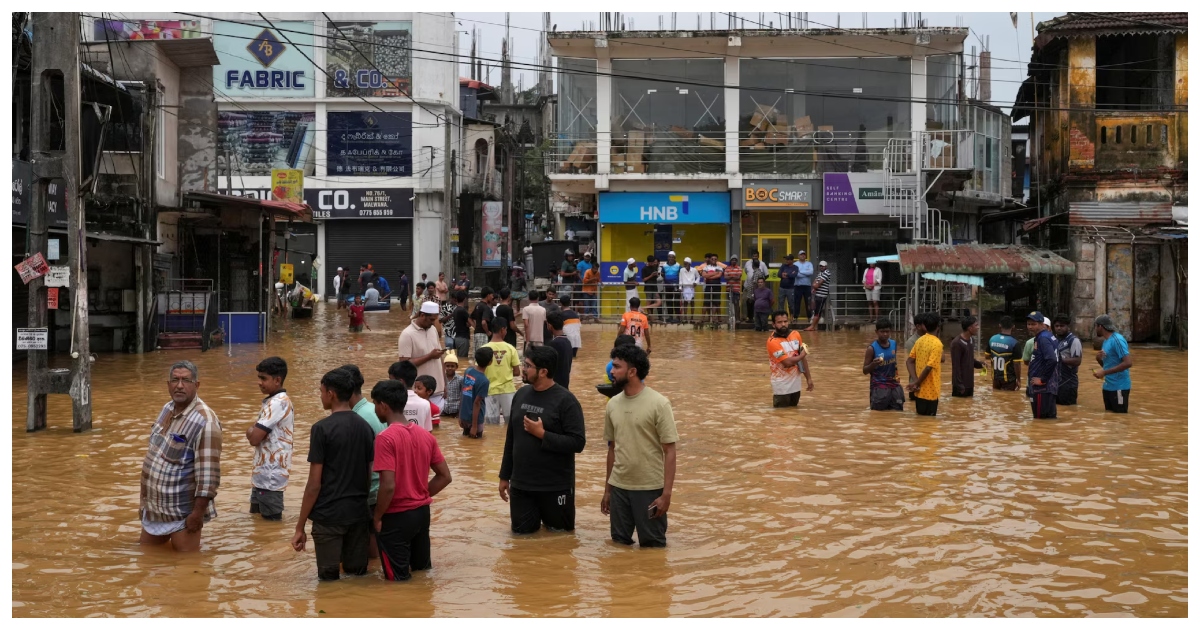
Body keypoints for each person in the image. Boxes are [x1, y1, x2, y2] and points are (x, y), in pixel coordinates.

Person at [292, 368, 375, 581]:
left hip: (329, 517)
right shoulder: (365, 427)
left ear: (331, 394)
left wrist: (300, 526)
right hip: (358, 514)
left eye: (321, 391)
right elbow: (369, 473)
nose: (320, 396)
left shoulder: (321, 429)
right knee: (358, 577)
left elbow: (314, 484)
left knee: (328, 581)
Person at [369, 380, 452, 582]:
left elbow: (388, 485)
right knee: (422, 574)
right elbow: (445, 477)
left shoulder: (385, 438)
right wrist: (421, 494)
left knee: (397, 581)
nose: (374, 409)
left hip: (396, 516)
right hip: (422, 513)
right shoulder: (426, 436)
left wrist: (378, 516)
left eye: (374, 404)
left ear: (383, 406)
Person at [499, 345, 587, 534]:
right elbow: (511, 438)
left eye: (528, 365)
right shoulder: (520, 394)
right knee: (522, 543)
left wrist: (542, 435)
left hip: (555, 486)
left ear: (543, 372)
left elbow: (578, 443)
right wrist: (504, 476)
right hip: (521, 486)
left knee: (560, 543)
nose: (523, 368)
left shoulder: (566, 401)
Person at [601, 344, 678, 548]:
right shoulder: (612, 404)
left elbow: (670, 450)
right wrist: (607, 490)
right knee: (618, 547)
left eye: (617, 367)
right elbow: (612, 449)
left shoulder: (659, 404)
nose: (611, 371)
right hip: (619, 488)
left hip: (649, 489)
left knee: (653, 549)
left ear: (632, 372)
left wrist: (666, 495)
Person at [140, 360, 222, 552]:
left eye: (186, 380)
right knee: (146, 557)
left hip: (182, 513)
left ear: (196, 385)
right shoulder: (167, 409)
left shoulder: (205, 422)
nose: (179, 385)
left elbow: (209, 478)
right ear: (168, 384)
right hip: (155, 508)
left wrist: (197, 515)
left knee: (187, 566)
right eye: (175, 380)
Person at [245, 357, 293, 522]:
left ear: (277, 380)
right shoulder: (272, 402)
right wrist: (253, 431)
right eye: (259, 377)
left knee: (270, 525)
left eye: (263, 378)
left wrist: (251, 430)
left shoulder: (277, 403)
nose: (259, 382)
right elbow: (255, 434)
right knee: (259, 525)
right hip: (263, 476)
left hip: (271, 477)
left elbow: (254, 438)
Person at [398, 302, 447, 408]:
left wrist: (445, 384)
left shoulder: (433, 329)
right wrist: (430, 356)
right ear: (422, 315)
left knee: (435, 424)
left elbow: (440, 358)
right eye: (431, 320)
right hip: (419, 393)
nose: (434, 323)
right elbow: (404, 364)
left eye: (435, 319)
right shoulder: (407, 334)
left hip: (438, 391)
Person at [767, 311, 813, 407]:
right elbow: (786, 362)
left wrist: (808, 378)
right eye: (779, 322)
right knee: (781, 414)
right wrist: (802, 355)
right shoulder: (772, 342)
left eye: (785, 321)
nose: (783, 324)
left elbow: (803, 360)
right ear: (773, 324)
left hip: (796, 383)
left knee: (793, 412)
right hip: (781, 384)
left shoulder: (795, 334)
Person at [484, 317, 522, 426]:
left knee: (491, 427)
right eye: (506, 330)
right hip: (508, 391)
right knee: (510, 426)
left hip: (489, 391)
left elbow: (480, 372)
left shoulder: (484, 349)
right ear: (503, 329)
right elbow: (517, 372)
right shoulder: (511, 348)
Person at [1093, 314, 1133, 413]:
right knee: (1110, 419)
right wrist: (1098, 359)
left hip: (1119, 387)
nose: (1095, 329)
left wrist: (1104, 373)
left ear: (1100, 326)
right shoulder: (1106, 342)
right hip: (1108, 387)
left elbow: (1128, 363)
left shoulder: (1117, 340)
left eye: (1095, 326)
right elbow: (1108, 366)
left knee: (1120, 420)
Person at [906, 312, 944, 417]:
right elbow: (929, 367)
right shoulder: (937, 344)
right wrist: (917, 383)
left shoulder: (919, 340)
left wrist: (915, 381)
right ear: (938, 326)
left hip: (919, 391)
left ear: (925, 326)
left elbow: (909, 361)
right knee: (930, 424)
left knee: (920, 421)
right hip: (931, 391)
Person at [863, 319, 904, 411]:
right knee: (878, 413)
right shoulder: (871, 348)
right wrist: (873, 364)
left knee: (898, 412)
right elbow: (865, 370)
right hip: (879, 386)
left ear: (891, 331)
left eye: (887, 331)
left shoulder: (894, 344)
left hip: (894, 385)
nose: (885, 334)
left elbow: (895, 363)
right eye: (882, 332)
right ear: (876, 332)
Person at [1026, 311, 1060, 419]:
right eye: (1029, 324)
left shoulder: (1043, 338)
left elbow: (1052, 359)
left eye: (1033, 324)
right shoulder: (1047, 336)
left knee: (1041, 421)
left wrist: (1043, 379)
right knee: (1047, 422)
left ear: (1041, 324)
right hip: (1047, 387)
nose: (1030, 327)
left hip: (1042, 388)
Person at [387, 361, 435, 432]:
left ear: (400, 382)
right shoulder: (425, 404)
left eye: (390, 380)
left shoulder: (388, 402)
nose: (389, 383)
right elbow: (428, 433)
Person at [461, 348, 492, 438]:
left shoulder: (468, 371)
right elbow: (477, 403)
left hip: (465, 415)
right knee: (477, 446)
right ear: (490, 362)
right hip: (476, 420)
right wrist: (474, 426)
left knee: (466, 445)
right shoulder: (484, 381)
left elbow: (463, 392)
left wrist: (460, 415)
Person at [951, 315, 985, 398]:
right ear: (970, 328)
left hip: (969, 383)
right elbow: (956, 367)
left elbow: (969, 359)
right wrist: (959, 386)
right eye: (976, 325)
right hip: (961, 386)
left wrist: (980, 364)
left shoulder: (971, 340)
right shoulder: (957, 343)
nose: (978, 327)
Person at [1053, 315, 1083, 406]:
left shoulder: (1074, 340)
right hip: (1056, 383)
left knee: (1069, 411)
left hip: (1068, 383)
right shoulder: (1054, 340)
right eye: (1057, 326)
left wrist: (1059, 359)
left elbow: (1077, 361)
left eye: (1062, 326)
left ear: (1068, 327)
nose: (1059, 328)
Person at [988, 317, 1022, 391]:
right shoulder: (1015, 343)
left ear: (1000, 325)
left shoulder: (992, 339)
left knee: (996, 398)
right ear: (1013, 326)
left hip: (995, 378)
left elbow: (987, 356)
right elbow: (1017, 364)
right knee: (1007, 399)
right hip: (1009, 380)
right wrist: (1018, 380)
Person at [546, 311, 575, 389]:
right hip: (564, 385)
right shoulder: (567, 342)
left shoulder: (553, 344)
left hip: (555, 387)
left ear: (550, 326)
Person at [803, 261, 831, 331]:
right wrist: (815, 286)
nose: (821, 267)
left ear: (826, 266)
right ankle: (814, 326)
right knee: (816, 311)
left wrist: (815, 285)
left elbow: (817, 284)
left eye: (823, 266)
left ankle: (812, 326)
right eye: (820, 266)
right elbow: (814, 283)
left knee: (817, 311)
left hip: (822, 295)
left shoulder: (826, 273)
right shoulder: (820, 273)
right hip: (817, 294)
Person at [744, 250, 770, 323]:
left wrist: (760, 283)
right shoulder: (748, 263)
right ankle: (750, 317)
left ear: (758, 256)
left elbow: (766, 275)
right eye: (753, 256)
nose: (754, 257)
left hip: (756, 289)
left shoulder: (762, 264)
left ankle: (757, 318)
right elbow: (746, 272)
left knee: (756, 302)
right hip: (749, 288)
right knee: (749, 302)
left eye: (756, 256)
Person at [699, 253, 726, 324]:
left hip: (717, 286)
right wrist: (714, 273)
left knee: (715, 302)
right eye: (712, 259)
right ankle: (702, 318)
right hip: (708, 286)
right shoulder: (706, 267)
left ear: (717, 260)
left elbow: (719, 275)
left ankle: (713, 318)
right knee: (706, 302)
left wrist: (709, 276)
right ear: (710, 260)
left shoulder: (719, 267)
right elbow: (704, 275)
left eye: (715, 259)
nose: (713, 260)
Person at [471, 288, 497, 359]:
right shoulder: (486, 307)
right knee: (483, 357)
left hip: (476, 334)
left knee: (476, 356)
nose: (492, 297)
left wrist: (476, 327)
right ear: (488, 295)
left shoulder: (477, 305)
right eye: (492, 295)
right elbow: (484, 322)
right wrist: (488, 332)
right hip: (483, 334)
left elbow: (470, 318)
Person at [447, 290, 471, 362]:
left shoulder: (456, 310)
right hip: (463, 338)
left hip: (457, 337)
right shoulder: (463, 311)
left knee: (459, 359)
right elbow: (470, 323)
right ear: (464, 299)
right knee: (463, 360)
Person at [520, 289, 547, 354]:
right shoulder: (543, 310)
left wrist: (527, 341)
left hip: (530, 339)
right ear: (538, 298)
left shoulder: (526, 309)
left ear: (529, 298)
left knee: (528, 360)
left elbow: (526, 325)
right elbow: (543, 322)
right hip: (540, 339)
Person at [441, 351, 463, 419]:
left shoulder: (460, 379)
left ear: (456, 367)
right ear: (444, 366)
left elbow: (463, 396)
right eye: (447, 366)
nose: (450, 368)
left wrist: (460, 413)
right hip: (443, 410)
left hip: (455, 410)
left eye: (452, 366)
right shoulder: (441, 378)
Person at [776, 253, 798, 320]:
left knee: (791, 304)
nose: (786, 261)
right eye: (786, 259)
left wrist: (786, 274)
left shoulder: (795, 267)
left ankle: (792, 317)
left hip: (790, 288)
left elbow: (794, 275)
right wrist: (788, 274)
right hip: (782, 288)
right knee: (780, 303)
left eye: (788, 259)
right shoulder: (783, 266)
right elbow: (779, 274)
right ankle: (781, 317)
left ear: (792, 260)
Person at [662, 251, 681, 323]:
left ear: (675, 258)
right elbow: (662, 274)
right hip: (667, 286)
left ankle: (678, 317)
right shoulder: (664, 266)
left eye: (672, 257)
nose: (671, 258)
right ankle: (670, 317)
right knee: (668, 302)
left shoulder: (678, 265)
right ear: (668, 257)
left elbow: (682, 273)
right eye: (669, 257)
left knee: (676, 302)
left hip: (676, 286)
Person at [678, 257, 699, 324]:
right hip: (685, 288)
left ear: (689, 264)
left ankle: (692, 318)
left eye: (686, 263)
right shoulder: (681, 270)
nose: (685, 264)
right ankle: (685, 318)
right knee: (685, 303)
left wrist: (696, 282)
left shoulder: (694, 270)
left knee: (692, 303)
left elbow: (698, 277)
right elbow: (680, 279)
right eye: (684, 263)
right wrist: (680, 287)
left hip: (692, 288)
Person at [641, 255, 662, 320]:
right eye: (651, 262)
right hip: (648, 288)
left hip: (655, 287)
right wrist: (651, 275)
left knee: (659, 302)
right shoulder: (644, 269)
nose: (653, 264)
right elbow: (644, 279)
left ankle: (643, 308)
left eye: (653, 262)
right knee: (649, 302)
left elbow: (656, 277)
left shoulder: (654, 267)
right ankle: (650, 317)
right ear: (648, 262)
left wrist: (657, 275)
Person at [795, 251, 814, 319]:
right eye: (801, 255)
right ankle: (795, 317)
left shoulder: (809, 263)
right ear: (798, 256)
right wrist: (806, 273)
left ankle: (809, 317)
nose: (802, 256)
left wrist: (801, 272)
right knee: (797, 302)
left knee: (808, 302)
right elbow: (796, 274)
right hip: (798, 286)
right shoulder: (795, 264)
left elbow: (811, 272)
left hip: (807, 286)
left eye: (804, 255)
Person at [724, 255, 744, 323]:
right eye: (733, 260)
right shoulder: (727, 268)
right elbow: (726, 277)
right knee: (729, 304)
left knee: (736, 304)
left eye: (735, 260)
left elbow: (738, 277)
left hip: (736, 289)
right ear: (730, 261)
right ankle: (730, 318)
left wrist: (730, 276)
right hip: (728, 289)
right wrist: (734, 276)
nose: (734, 261)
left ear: (737, 261)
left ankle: (737, 319)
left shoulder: (739, 268)